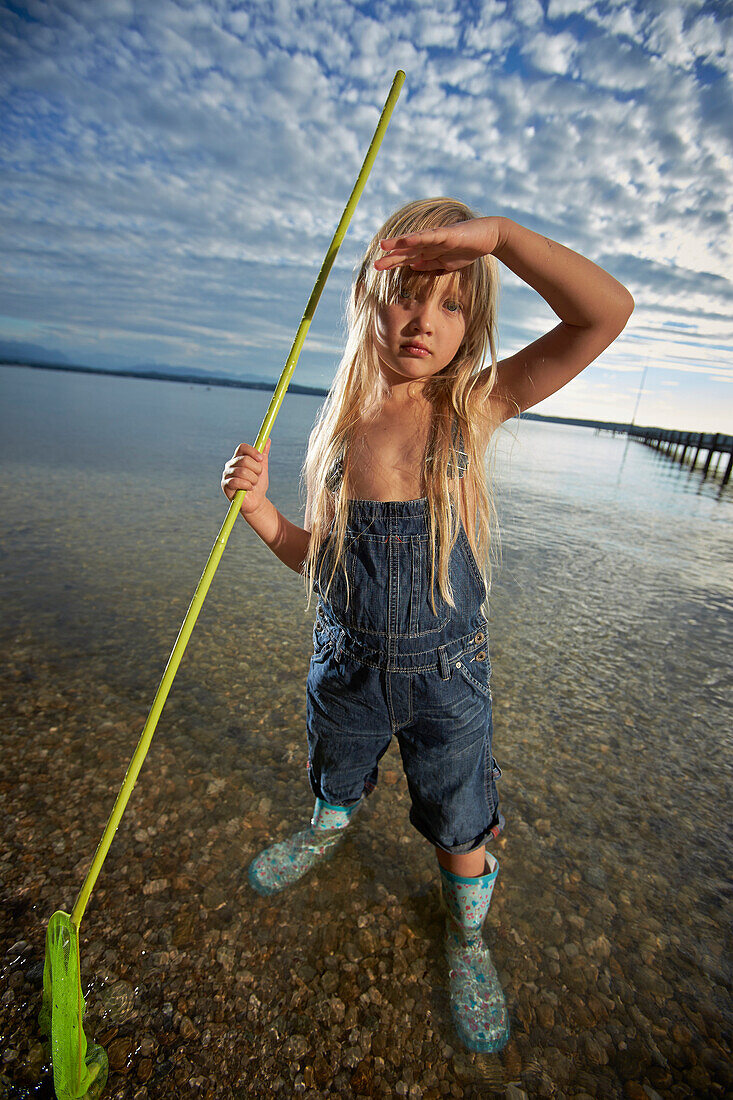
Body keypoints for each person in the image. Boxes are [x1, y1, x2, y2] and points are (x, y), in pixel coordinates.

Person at [221, 198, 634, 1053]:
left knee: (457, 818)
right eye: (410, 293)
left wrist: (500, 238)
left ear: (472, 327)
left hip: (448, 678)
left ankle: (467, 938)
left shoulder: (473, 407)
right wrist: (260, 511)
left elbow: (604, 313)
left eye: (452, 304)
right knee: (335, 770)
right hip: (346, 666)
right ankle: (326, 827)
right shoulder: (336, 432)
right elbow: (320, 561)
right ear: (371, 300)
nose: (426, 319)